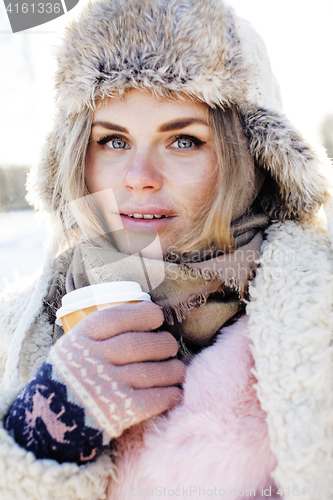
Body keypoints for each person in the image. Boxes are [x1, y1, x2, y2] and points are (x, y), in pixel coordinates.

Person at [0, 0, 333, 499]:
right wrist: (38, 435)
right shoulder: (20, 329)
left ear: (252, 155)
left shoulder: (321, 314)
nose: (139, 179)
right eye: (113, 141)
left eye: (183, 140)